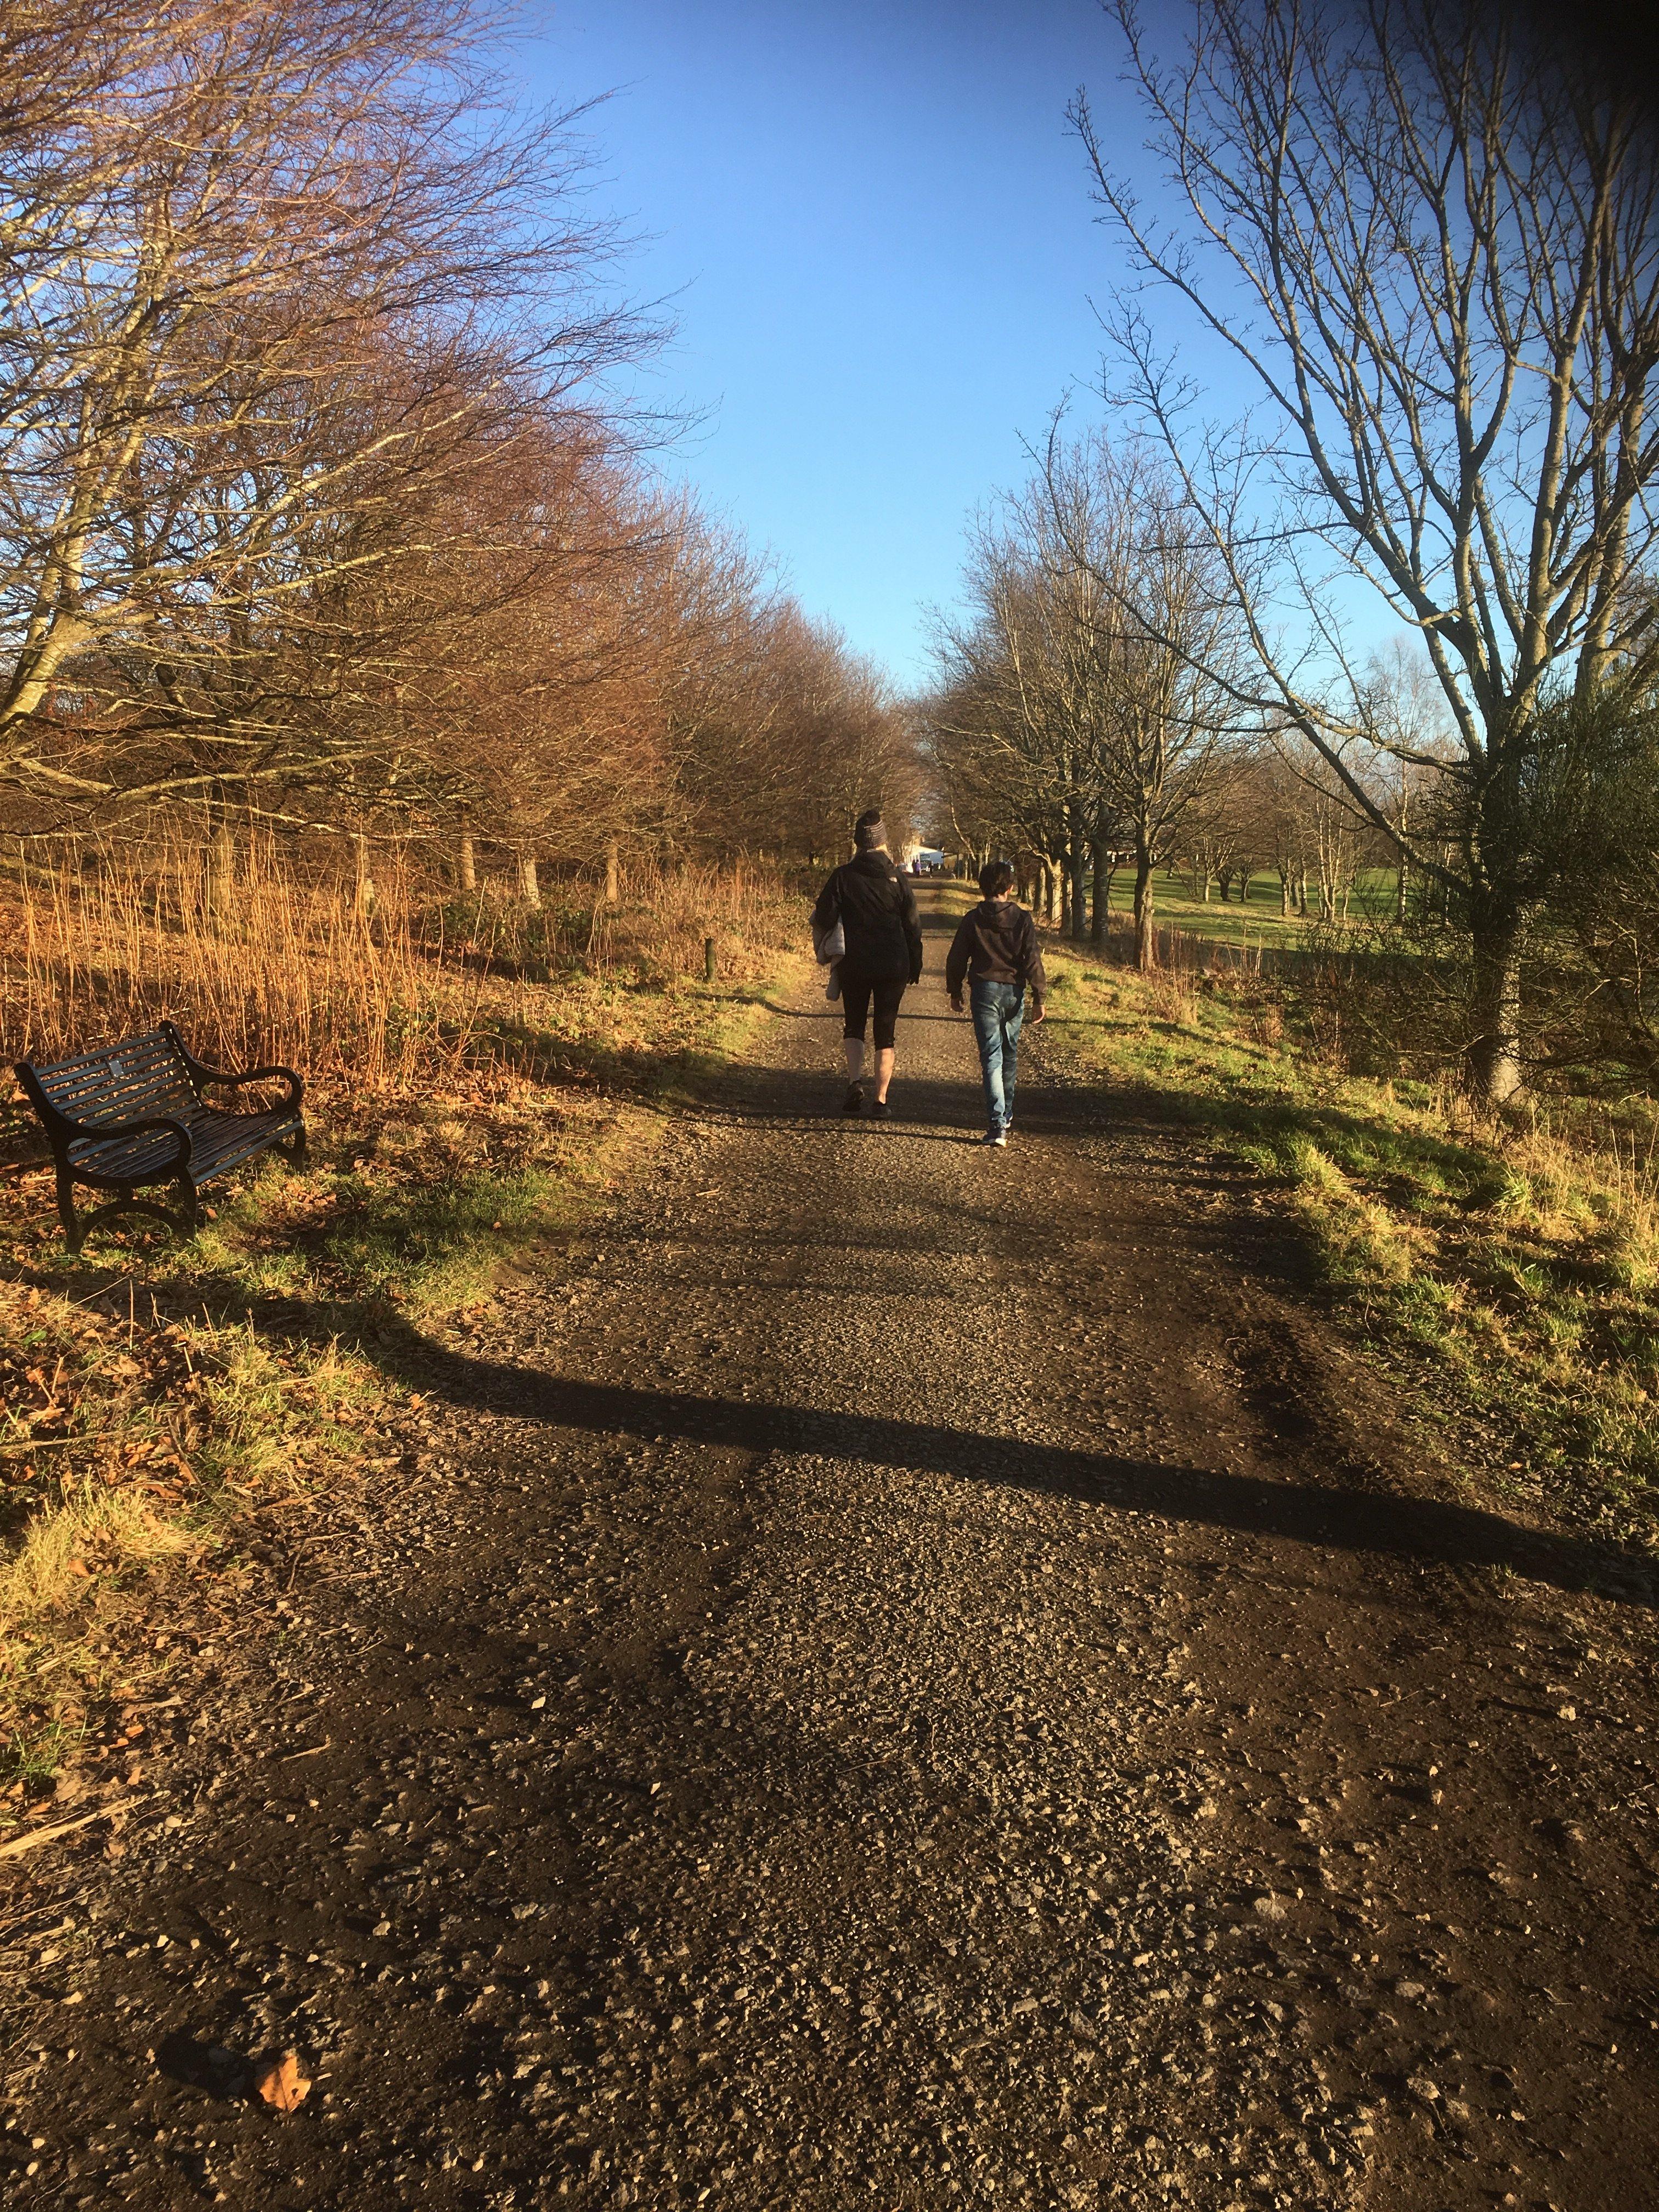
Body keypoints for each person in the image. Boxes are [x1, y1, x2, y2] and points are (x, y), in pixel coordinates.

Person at [811, 810, 924, 1118]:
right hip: (893, 963)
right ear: (883, 841)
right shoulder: (898, 878)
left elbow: (824, 917)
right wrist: (915, 962)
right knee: (885, 1030)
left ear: (858, 843)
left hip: (855, 962)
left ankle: (854, 1083)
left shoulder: (842, 877)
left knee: (854, 1023)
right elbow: (913, 926)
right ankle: (881, 1100)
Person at [945, 859, 1046, 1147]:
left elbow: (957, 957)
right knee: (1009, 1053)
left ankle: (997, 1123)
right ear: (1010, 888)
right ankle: (1007, 1113)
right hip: (1014, 991)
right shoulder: (1023, 919)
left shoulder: (972, 919)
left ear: (982, 888)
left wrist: (955, 991)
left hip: (984, 991)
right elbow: (1032, 958)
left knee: (992, 1056)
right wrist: (1040, 996)